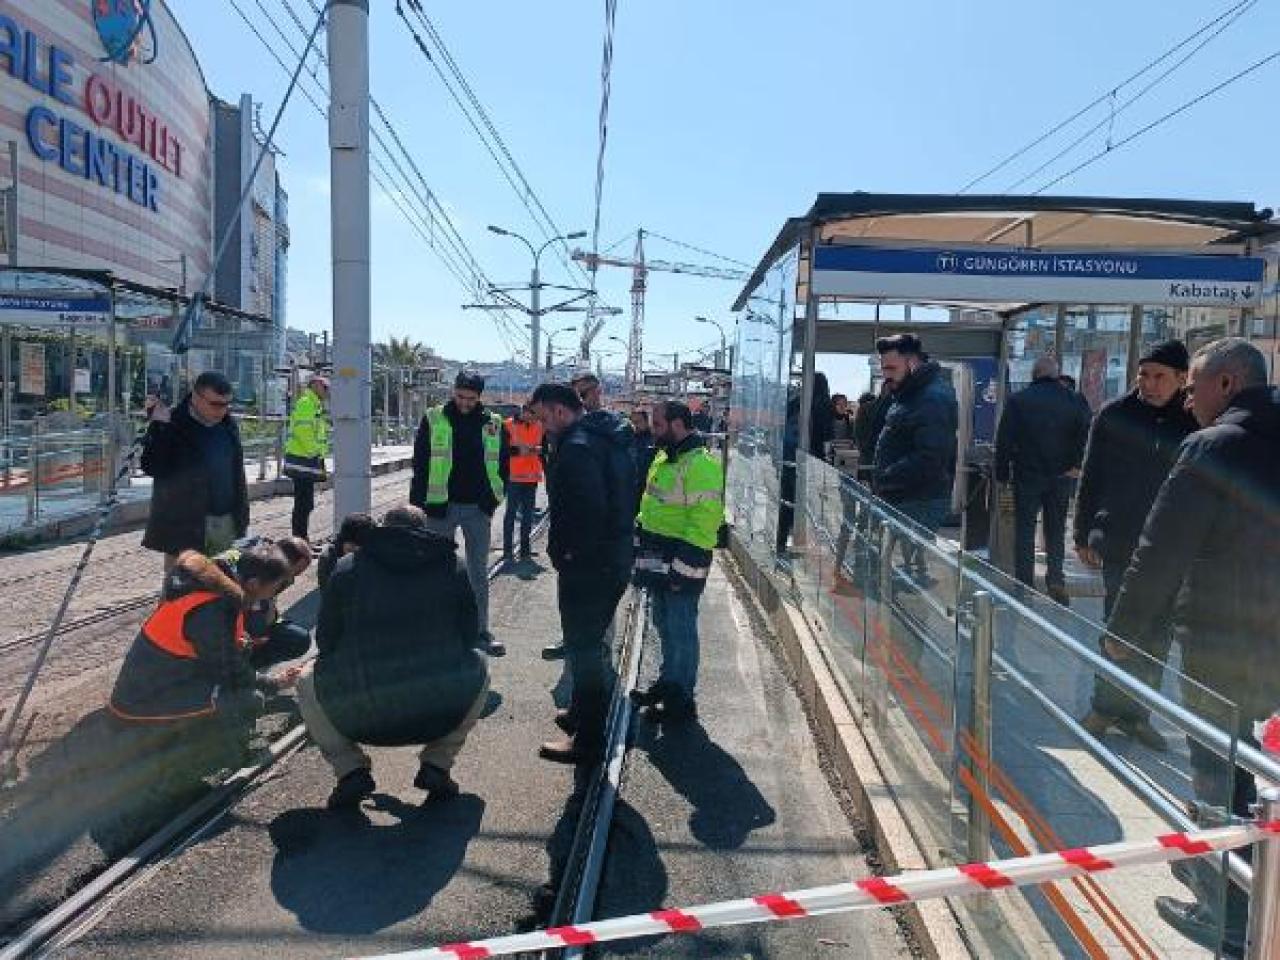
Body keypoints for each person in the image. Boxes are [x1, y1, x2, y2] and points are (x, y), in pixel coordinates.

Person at [1103, 339, 1279, 956]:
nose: (1187, 399)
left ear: (1226, 384)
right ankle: (1245, 879)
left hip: (1218, 637)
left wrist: (1122, 634)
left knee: (1217, 769)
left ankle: (1223, 914)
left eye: (1194, 385)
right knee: (1257, 765)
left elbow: (1161, 550)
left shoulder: (1211, 446)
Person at [296, 505, 490, 809]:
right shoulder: (454, 566)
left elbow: (326, 641)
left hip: (359, 713)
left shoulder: (347, 567)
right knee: (481, 666)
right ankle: (437, 763)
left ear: (383, 528)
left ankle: (350, 769)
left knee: (306, 679)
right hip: (435, 712)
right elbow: (470, 636)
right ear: (424, 530)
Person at [1076, 340, 1198, 750]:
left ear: (1181, 379)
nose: (1149, 383)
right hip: (1120, 540)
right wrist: (1082, 533)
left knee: (1158, 636)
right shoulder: (1114, 415)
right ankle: (1104, 707)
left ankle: (1137, 714)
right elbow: (1091, 476)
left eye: (1159, 376)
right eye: (1144, 374)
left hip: (1173, 548)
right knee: (1119, 625)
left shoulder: (1193, 421)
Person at [108, 543, 294, 788]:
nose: (275, 593)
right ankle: (189, 769)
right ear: (253, 583)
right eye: (275, 587)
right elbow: (228, 670)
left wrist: (241, 646)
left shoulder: (209, 587)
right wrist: (273, 683)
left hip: (148, 686)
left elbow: (214, 651)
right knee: (248, 700)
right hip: (144, 704)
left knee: (240, 693)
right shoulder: (215, 606)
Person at [529, 383, 635, 765]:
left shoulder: (576, 448)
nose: (542, 427)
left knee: (585, 649)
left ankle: (588, 740)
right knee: (585, 645)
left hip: (590, 566)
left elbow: (586, 512)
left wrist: (569, 555)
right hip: (613, 557)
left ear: (560, 411)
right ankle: (579, 714)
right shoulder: (605, 437)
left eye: (543, 418)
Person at [632, 401, 725, 722]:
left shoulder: (701, 464)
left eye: (658, 424)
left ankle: (681, 700)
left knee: (681, 628)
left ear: (677, 424)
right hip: (657, 557)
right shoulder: (665, 457)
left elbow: (705, 521)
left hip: (681, 560)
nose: (653, 429)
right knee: (663, 623)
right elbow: (651, 505)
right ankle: (668, 682)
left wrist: (680, 569)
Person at [409, 370, 509, 657]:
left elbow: (503, 465)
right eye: (461, 396)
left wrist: (491, 502)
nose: (465, 402)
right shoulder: (433, 418)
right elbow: (420, 463)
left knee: (478, 573)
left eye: (471, 398)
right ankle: (436, 631)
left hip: (478, 509)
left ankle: (479, 631)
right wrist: (418, 505)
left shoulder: (494, 423)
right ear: (453, 391)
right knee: (435, 570)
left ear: (480, 397)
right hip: (438, 507)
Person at [995, 355, 1092, 605]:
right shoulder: (1075, 400)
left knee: (1025, 531)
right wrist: (1076, 464)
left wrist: (1002, 474)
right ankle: (1056, 580)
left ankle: (1024, 585)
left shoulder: (1019, 400)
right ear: (1056, 375)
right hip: (1062, 476)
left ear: (1034, 375)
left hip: (1027, 475)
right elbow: (1086, 433)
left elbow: (1004, 440)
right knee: (1056, 529)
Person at [141, 371, 250, 572]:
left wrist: (241, 516)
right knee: (181, 586)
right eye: (215, 404)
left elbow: (237, 473)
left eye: (227, 404)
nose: (222, 410)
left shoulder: (228, 426)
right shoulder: (171, 422)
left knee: (224, 582)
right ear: (196, 397)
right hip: (184, 526)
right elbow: (152, 466)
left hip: (223, 522)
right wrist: (158, 428)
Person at [872, 335, 958, 583]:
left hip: (918, 500)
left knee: (898, 581)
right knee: (891, 576)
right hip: (906, 497)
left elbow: (930, 457)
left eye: (891, 368)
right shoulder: (910, 394)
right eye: (883, 369)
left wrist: (886, 477)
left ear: (912, 363)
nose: (886, 376)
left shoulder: (931, 397)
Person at [776, 372, 835, 554]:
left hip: (789, 458)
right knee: (812, 504)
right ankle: (807, 542)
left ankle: (781, 540)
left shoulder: (795, 402)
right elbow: (826, 436)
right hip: (813, 460)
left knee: (788, 501)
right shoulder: (823, 405)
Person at [283, 375, 330, 540]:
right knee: (303, 504)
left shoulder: (314, 404)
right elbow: (303, 432)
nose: (327, 391)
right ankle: (300, 540)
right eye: (325, 387)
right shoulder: (306, 403)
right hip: (302, 460)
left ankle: (301, 539)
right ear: (315, 385)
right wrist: (315, 452)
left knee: (305, 503)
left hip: (306, 460)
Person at [503, 404, 544, 563]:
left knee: (528, 516)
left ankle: (525, 551)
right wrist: (518, 451)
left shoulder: (539, 425)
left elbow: (546, 445)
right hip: (514, 478)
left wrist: (540, 449)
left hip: (531, 479)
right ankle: (507, 551)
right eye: (533, 415)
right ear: (525, 412)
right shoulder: (508, 425)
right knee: (511, 514)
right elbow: (502, 450)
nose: (535, 419)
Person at [316, 513, 376, 591]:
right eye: (350, 550)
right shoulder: (328, 558)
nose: (354, 556)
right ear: (342, 543)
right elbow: (327, 591)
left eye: (362, 550)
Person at [629, 409, 658, 513]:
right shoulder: (628, 440)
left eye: (638, 422)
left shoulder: (655, 440)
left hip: (649, 489)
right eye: (633, 422)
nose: (635, 425)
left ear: (646, 421)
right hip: (632, 489)